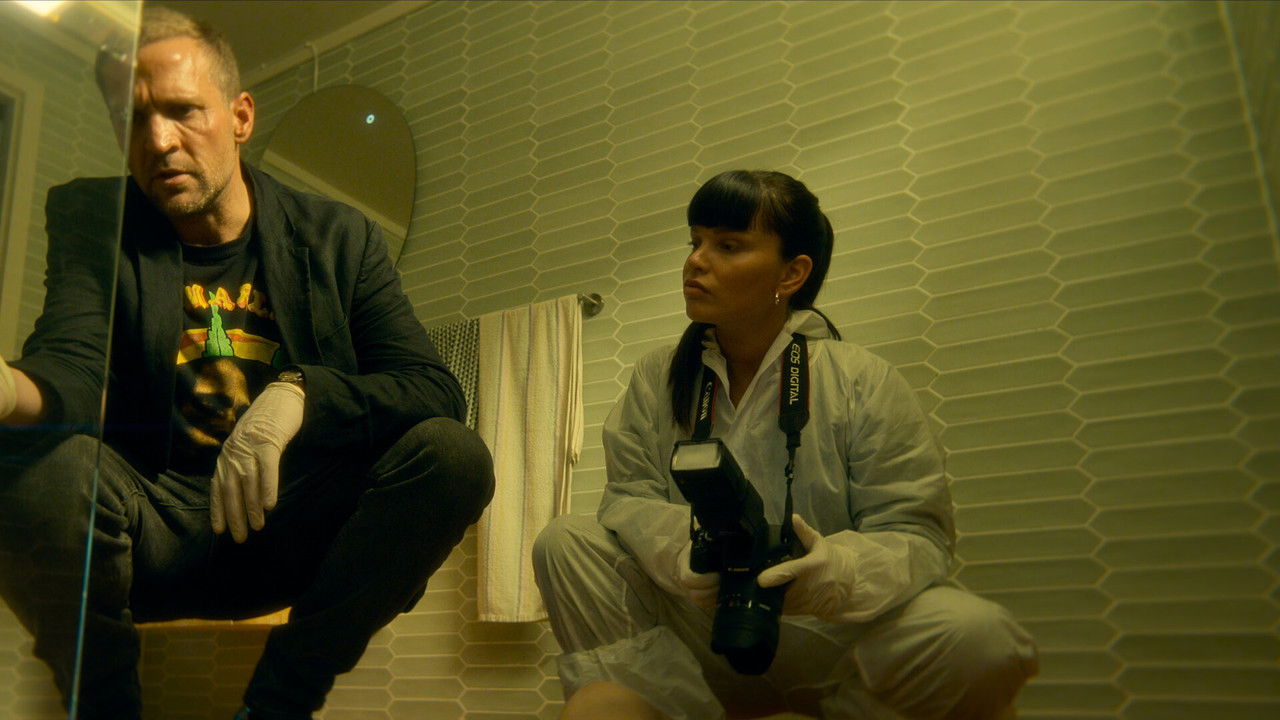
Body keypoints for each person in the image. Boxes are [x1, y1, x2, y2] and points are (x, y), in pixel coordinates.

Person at [0, 7, 494, 720]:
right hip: (151, 528)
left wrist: (300, 394)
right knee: (29, 464)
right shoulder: (95, 217)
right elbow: (73, 365)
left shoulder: (339, 235)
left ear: (240, 117)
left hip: (292, 530)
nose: (158, 141)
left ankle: (277, 707)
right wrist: (7, 388)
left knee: (453, 456)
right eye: (132, 119)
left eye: (181, 110)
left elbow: (432, 389)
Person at [533, 170, 1039, 720]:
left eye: (728, 245)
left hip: (834, 634)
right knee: (566, 542)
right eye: (695, 241)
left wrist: (832, 575)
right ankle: (679, 708)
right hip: (702, 629)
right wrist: (688, 552)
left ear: (792, 272)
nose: (696, 260)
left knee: (979, 637)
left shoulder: (861, 378)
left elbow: (918, 534)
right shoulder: (659, 377)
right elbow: (627, 500)